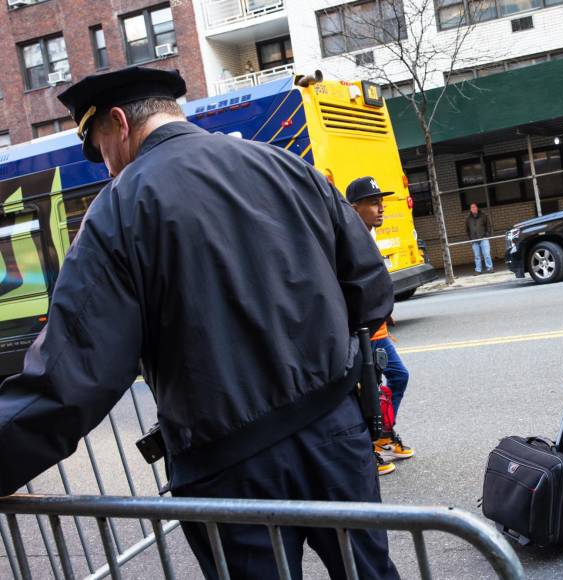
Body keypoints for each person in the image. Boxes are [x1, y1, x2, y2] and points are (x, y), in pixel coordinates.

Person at [0, 66, 400, 579]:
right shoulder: (286, 166)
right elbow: (370, 291)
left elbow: (71, 377)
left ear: (119, 123)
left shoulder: (119, 209)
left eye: (100, 147)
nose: (105, 166)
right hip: (334, 433)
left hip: (229, 468)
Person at [346, 177, 415, 476]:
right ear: (354, 208)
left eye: (381, 201)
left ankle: (383, 432)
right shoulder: (348, 241)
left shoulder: (368, 238)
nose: (380, 207)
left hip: (378, 331)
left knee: (398, 377)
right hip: (362, 335)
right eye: (373, 203)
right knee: (368, 393)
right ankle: (369, 445)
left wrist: (385, 312)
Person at [465, 202, 493, 274]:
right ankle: (478, 270)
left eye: (474, 207)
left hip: (483, 238)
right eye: (471, 208)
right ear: (470, 209)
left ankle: (489, 268)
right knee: (477, 256)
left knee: (486, 254)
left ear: (477, 208)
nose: (473, 209)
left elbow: (488, 226)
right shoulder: (468, 218)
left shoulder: (483, 216)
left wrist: (487, 234)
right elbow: (467, 229)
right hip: (474, 240)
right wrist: (470, 238)